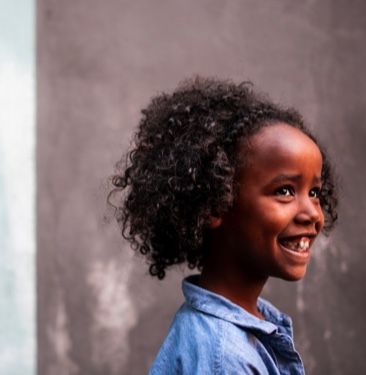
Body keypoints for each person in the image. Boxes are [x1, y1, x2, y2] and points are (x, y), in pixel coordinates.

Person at [110, 77, 338, 374]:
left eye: (315, 193)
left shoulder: (236, 330)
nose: (312, 214)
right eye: (284, 191)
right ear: (215, 203)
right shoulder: (225, 357)